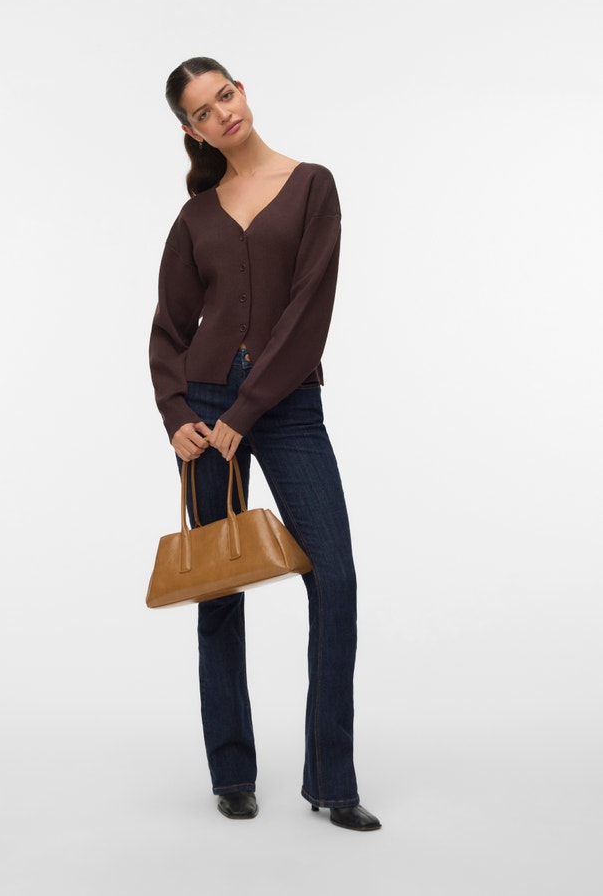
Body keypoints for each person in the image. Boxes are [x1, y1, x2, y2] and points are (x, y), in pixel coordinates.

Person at [149, 56, 381, 832]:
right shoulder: (196, 218)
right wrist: (175, 411)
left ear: (242, 90)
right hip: (206, 412)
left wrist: (246, 411)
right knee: (218, 588)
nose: (222, 112)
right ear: (192, 131)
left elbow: (309, 312)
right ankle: (232, 772)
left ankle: (332, 781)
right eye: (203, 111)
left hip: (284, 409)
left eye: (225, 94)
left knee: (335, 579)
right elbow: (169, 328)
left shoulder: (311, 185)